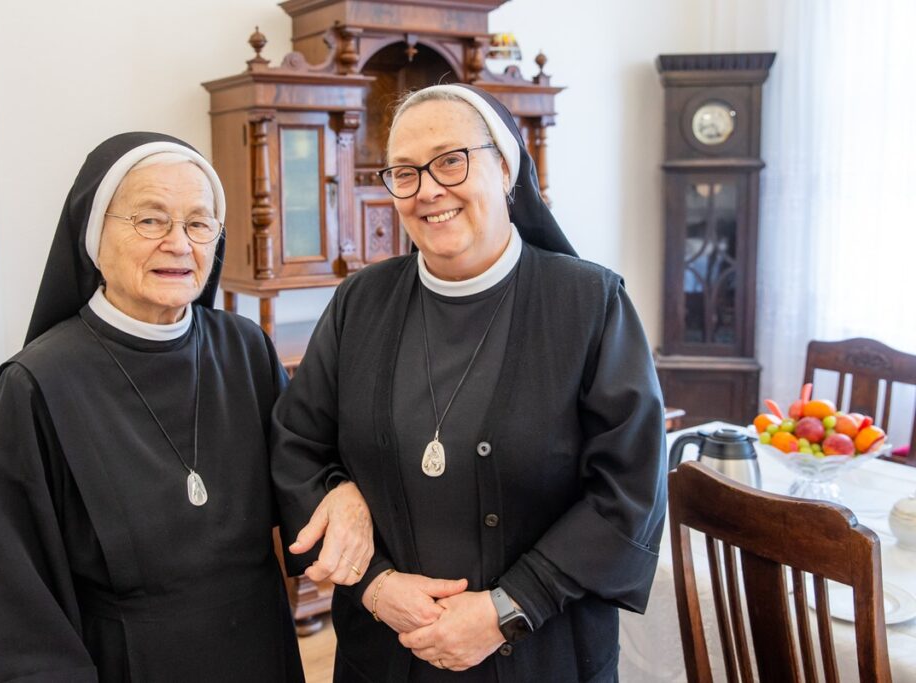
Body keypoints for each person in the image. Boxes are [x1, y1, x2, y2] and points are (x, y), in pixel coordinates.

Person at [271, 85, 667, 682]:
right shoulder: (361, 301)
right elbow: (296, 445)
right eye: (404, 172)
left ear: (506, 168)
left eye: (451, 160)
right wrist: (375, 584)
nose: (428, 189)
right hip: (385, 650)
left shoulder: (589, 303)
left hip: (542, 652)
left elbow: (629, 491)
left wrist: (507, 608)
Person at [0, 132, 373, 682]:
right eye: (150, 219)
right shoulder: (36, 385)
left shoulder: (245, 347)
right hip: (129, 662)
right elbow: (21, 597)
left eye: (199, 222)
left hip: (261, 649)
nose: (180, 243)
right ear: (93, 234)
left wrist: (340, 491)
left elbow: (299, 472)